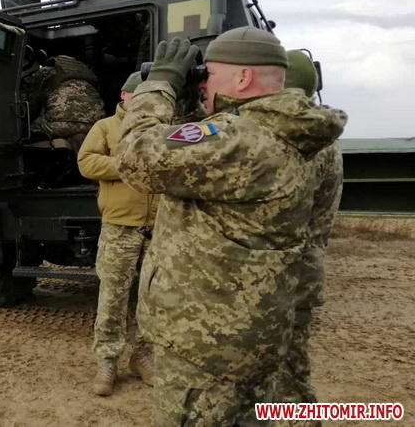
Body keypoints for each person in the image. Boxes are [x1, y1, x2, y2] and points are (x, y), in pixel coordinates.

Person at [115, 29, 347, 424]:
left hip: (204, 339)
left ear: (243, 78)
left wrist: (159, 85)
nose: (202, 82)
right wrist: (191, 102)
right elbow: (197, 155)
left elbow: (136, 157)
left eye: (208, 74)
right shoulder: (291, 132)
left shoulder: (243, 138)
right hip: (253, 324)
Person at [78, 72, 159, 397]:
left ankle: (143, 356)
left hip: (158, 228)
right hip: (119, 227)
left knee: (153, 298)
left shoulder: (161, 128)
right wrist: (128, 165)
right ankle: (108, 361)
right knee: (112, 297)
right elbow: (86, 162)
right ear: (124, 96)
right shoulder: (105, 127)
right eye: (137, 96)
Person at [275, 50, 346, 408]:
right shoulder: (322, 135)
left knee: (283, 374)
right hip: (304, 269)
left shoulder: (292, 137)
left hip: (279, 275)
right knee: (290, 366)